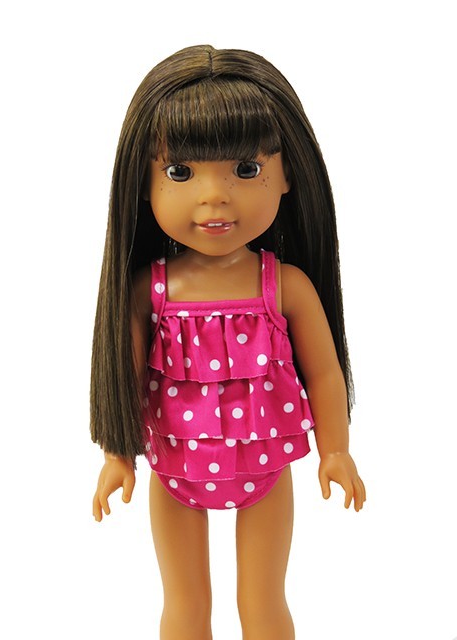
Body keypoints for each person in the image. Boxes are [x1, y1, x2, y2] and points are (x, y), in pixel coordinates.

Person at [90, 44, 366, 640]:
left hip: (265, 470)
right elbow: (125, 374)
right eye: (180, 173)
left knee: (262, 603)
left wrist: (335, 450)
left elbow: (324, 372)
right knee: (185, 606)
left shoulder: (284, 286)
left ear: (286, 174)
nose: (213, 196)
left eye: (245, 170)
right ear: (143, 182)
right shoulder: (148, 291)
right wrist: (118, 455)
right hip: (174, 470)